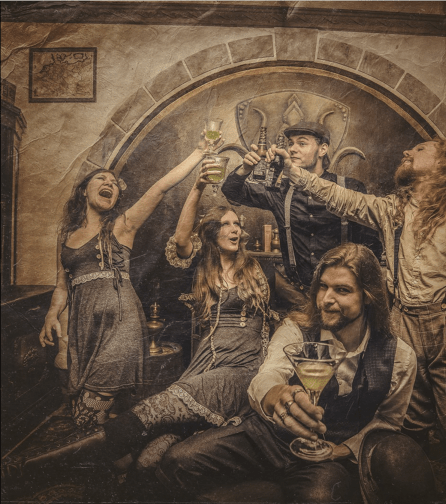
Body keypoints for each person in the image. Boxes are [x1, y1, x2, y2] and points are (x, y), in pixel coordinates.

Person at [272, 136, 446, 486]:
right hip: (403, 322)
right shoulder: (392, 209)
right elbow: (340, 197)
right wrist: (294, 173)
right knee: (409, 425)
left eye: (420, 149)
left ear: (443, 164)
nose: (407, 151)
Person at [2, 158, 277, 481]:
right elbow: (181, 240)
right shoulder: (204, 267)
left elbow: (158, 189)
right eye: (226, 224)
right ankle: (110, 474)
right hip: (179, 356)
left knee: (112, 412)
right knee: (139, 456)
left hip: (222, 361)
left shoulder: (261, 270)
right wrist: (52, 314)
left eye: (238, 224)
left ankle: (29, 468)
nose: (236, 229)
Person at [155, 244, 435, 504]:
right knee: (179, 460)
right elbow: (268, 376)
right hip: (268, 437)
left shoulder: (399, 356)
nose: (326, 299)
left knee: (321, 496)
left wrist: (342, 450)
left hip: (325, 456)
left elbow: (387, 421)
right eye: (322, 287)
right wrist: (276, 394)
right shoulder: (296, 330)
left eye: (342, 290)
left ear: (368, 297)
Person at [38, 131, 219, 429]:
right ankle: (128, 450)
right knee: (91, 415)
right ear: (84, 191)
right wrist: (51, 314)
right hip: (85, 330)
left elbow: (159, 188)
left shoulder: (122, 226)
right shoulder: (67, 235)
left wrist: (199, 153)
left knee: (87, 415)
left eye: (114, 183)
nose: (110, 184)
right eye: (102, 179)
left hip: (120, 325)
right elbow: (62, 285)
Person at [221, 121, 382, 306]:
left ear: (322, 149)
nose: (292, 149)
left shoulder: (350, 188)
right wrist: (245, 169)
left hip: (342, 297)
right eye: (290, 143)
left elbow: (371, 249)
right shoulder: (281, 191)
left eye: (302, 143)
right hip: (297, 298)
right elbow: (231, 191)